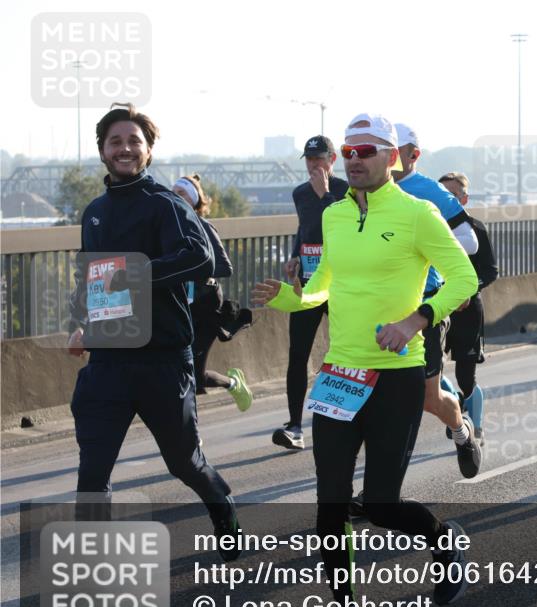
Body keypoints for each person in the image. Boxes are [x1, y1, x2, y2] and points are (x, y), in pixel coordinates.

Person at [252, 113, 478, 607]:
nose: (355, 158)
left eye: (367, 150)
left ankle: (445, 543)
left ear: (392, 157)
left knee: (378, 503)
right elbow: (323, 285)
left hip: (397, 377)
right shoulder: (332, 216)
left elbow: (465, 277)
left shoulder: (419, 213)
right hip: (339, 375)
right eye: (348, 151)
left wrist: (413, 321)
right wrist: (293, 298)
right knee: (330, 501)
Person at [67, 103, 239, 561]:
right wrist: (81, 323)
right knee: (92, 475)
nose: (124, 149)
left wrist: (134, 275)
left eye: (133, 142)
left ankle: (220, 502)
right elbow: (93, 277)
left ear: (148, 151)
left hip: (162, 359)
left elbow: (201, 259)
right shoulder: (95, 211)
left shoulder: (165, 205)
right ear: (102, 151)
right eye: (115, 142)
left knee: (183, 462)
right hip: (108, 361)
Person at [391, 123, 483, 478]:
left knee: (428, 399)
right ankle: (380, 485)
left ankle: (462, 433)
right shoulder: (362, 194)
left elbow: (469, 242)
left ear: (413, 155)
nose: (385, 157)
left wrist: (435, 258)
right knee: (380, 399)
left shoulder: (429, 192)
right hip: (380, 308)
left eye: (394, 150)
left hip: (425, 305)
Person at [272, 136, 349, 450]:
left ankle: (346, 418)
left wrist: (326, 195)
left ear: (332, 160)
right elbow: (305, 230)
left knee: (346, 352)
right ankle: (294, 426)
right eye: (309, 159)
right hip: (309, 282)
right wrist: (294, 257)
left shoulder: (347, 191)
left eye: (319, 159)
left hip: (342, 284)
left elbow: (347, 230)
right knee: (297, 354)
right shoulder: (300, 193)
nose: (314, 165)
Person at [171, 174, 253, 411]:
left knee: (194, 376)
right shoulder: (167, 228)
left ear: (194, 201)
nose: (174, 197)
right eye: (172, 192)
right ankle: (185, 431)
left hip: (205, 306)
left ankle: (233, 383)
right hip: (180, 307)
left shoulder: (203, 227)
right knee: (176, 372)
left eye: (181, 193)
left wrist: (193, 268)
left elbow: (225, 267)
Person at [438, 172, 499, 440]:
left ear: (464, 198)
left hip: (467, 309)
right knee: (432, 372)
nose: (448, 199)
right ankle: (456, 411)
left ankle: (475, 425)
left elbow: (490, 270)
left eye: (454, 195)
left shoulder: (476, 229)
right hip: (437, 310)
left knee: (465, 373)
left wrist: (467, 290)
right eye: (444, 194)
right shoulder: (427, 228)